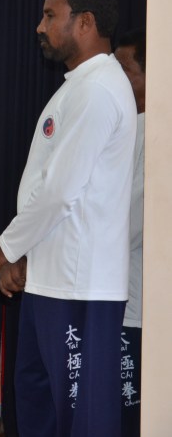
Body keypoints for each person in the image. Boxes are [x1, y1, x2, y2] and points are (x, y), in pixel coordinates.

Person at [0, 0, 136, 436]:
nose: (40, 26)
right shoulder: (77, 86)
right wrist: (26, 253)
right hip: (50, 280)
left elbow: (59, 190)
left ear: (85, 21)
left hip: (81, 287)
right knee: (40, 409)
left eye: (50, 15)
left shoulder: (98, 89)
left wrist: (9, 245)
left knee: (82, 420)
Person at [114, 28, 145, 435]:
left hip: (135, 305)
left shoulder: (151, 131)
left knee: (131, 412)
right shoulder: (128, 127)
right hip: (121, 298)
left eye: (125, 69)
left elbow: (131, 221)